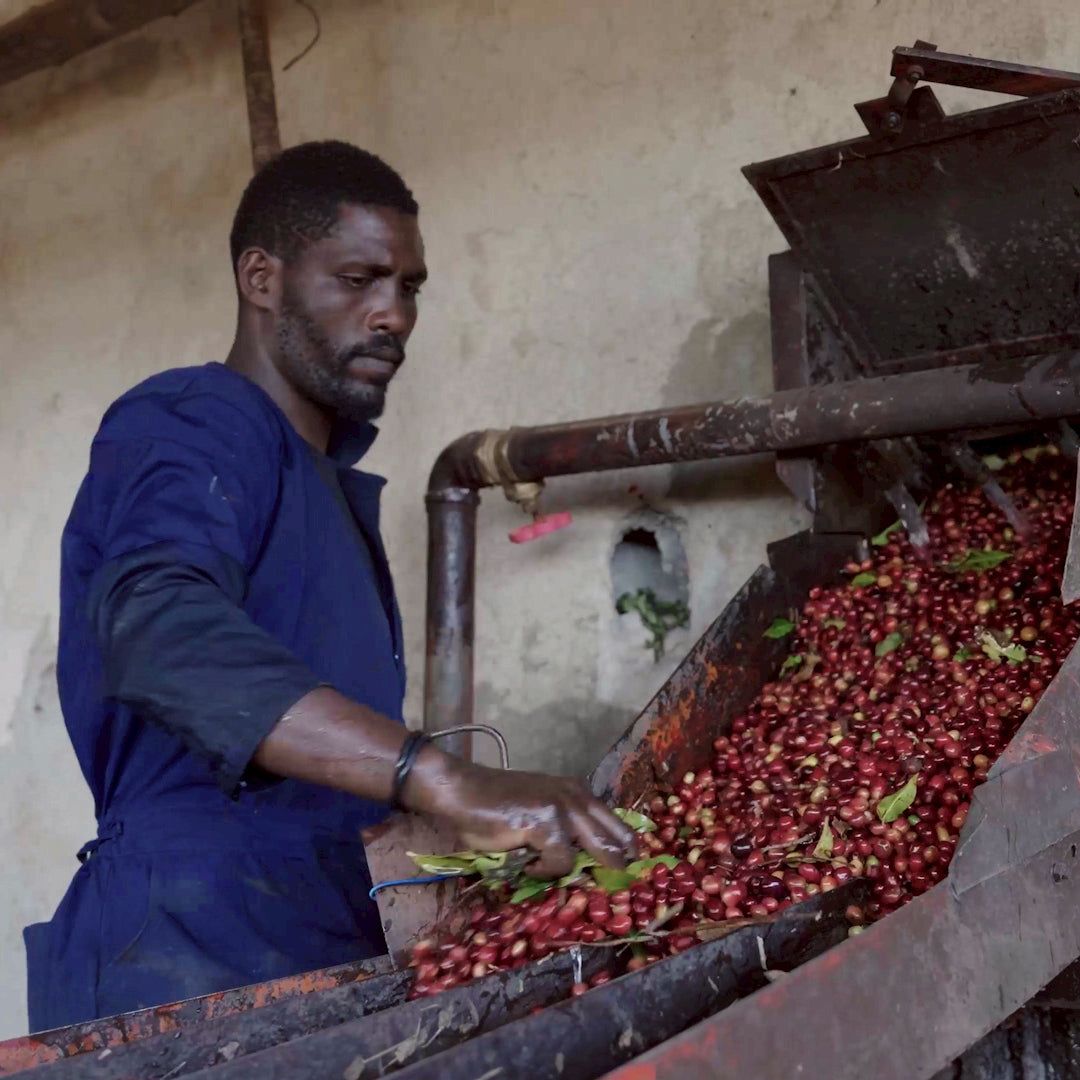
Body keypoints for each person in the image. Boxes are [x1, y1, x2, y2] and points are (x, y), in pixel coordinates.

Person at [25, 140, 634, 1031]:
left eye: (411, 287)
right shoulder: (198, 419)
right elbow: (157, 628)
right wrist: (441, 779)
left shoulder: (324, 487)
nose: (393, 315)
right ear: (262, 278)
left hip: (311, 940)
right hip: (185, 952)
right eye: (359, 279)